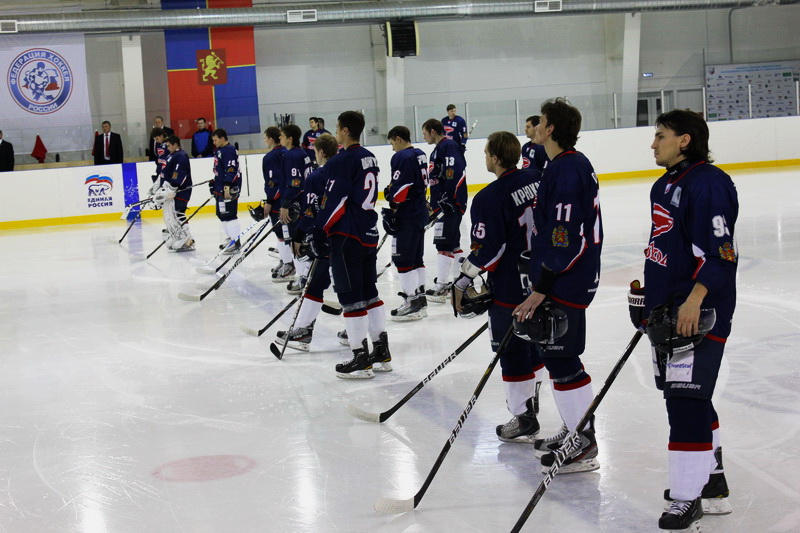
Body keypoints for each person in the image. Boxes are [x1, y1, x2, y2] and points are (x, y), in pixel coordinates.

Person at [629, 109, 738, 532]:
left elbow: (721, 254)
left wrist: (694, 299)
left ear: (685, 140)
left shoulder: (708, 183)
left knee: (685, 399)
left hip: (699, 312)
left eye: (661, 135)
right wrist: (648, 302)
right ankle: (711, 481)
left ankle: (687, 497)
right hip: (669, 310)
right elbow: (667, 249)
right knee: (689, 395)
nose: (653, 143)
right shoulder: (665, 184)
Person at [512, 97, 603, 474]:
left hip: (568, 278)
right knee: (556, 356)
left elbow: (568, 236)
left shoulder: (567, 169)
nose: (533, 127)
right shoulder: (564, 164)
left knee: (561, 357)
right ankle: (574, 427)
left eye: (540, 122)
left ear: (550, 129)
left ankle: (583, 440)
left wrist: (543, 284)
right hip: (564, 275)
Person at [452, 131, 546, 443]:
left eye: (486, 153)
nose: (485, 157)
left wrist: (463, 280)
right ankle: (532, 402)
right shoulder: (537, 177)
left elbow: (488, 250)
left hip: (510, 285)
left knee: (512, 350)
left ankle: (523, 416)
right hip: (541, 280)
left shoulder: (488, 197)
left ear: (494, 157)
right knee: (536, 342)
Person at [317, 111, 389, 379]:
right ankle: (381, 351)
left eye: (337, 128)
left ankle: (360, 357)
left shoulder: (341, 160)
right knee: (370, 293)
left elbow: (335, 201)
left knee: (350, 297)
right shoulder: (369, 156)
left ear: (346, 130)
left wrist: (320, 230)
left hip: (347, 235)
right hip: (368, 233)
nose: (336, 132)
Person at [275, 133, 340, 351]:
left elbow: (312, 212)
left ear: (320, 152)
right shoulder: (344, 172)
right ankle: (355, 331)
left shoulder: (317, 176)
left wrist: (299, 234)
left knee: (317, 285)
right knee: (344, 286)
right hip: (347, 236)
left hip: (326, 239)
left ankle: (303, 331)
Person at [383, 125, 429, 321]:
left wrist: (391, 198)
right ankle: (420, 299)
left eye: (392, 143)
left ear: (399, 139)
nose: (393, 148)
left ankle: (411, 302)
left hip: (408, 214)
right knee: (416, 258)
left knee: (403, 260)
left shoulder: (402, 157)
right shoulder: (420, 154)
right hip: (419, 211)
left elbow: (401, 189)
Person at [422, 118, 468, 303]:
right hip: (443, 203)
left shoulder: (448, 146)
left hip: (449, 204)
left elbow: (454, 171)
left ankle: (442, 286)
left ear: (433, 131)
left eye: (425, 133)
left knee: (443, 244)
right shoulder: (438, 148)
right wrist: (433, 201)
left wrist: (448, 197)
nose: (424, 137)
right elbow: (438, 177)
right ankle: (458, 282)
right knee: (453, 243)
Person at [274, 124, 312, 284]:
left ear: (290, 138)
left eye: (282, 136)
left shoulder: (292, 156)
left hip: (296, 205)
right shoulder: (302, 152)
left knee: (295, 241)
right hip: (304, 203)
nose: (279, 138)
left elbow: (295, 184)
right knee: (301, 240)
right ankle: (305, 275)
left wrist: (285, 205)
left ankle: (303, 277)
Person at [152, 135, 194, 252]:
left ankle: (187, 239)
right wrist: (159, 187)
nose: (168, 148)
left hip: (181, 191)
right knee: (170, 214)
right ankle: (177, 236)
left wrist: (172, 188)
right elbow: (165, 173)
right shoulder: (171, 155)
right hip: (171, 189)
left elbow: (179, 174)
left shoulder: (181, 156)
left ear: (176, 144)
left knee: (178, 213)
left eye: (169, 146)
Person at [261, 126, 288, 272]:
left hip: (279, 202)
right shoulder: (289, 152)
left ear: (271, 139)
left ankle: (288, 264)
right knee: (288, 232)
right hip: (292, 200)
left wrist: (270, 201)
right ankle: (287, 262)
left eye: (265, 137)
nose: (264, 140)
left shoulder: (270, 157)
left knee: (281, 232)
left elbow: (274, 182)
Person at [211, 129, 242, 254]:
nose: (214, 143)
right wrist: (214, 183)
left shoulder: (229, 150)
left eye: (216, 140)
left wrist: (227, 185)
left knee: (229, 214)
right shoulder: (219, 150)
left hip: (229, 188)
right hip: (221, 187)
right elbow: (219, 170)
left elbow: (231, 169)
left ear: (223, 138)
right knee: (221, 214)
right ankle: (230, 238)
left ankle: (235, 242)